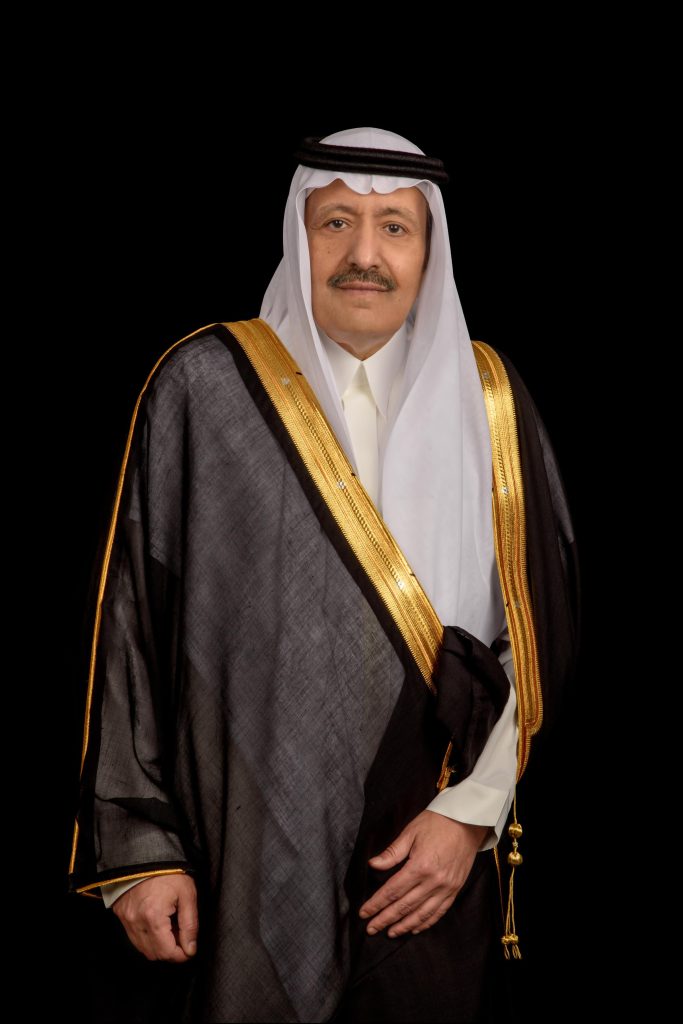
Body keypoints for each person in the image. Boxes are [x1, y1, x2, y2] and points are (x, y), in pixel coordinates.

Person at [69, 127, 579, 1023]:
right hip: (240, 840)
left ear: (429, 251)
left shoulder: (489, 400)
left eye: (394, 228)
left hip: (426, 852)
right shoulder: (206, 386)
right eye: (335, 222)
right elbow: (131, 630)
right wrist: (141, 854)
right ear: (295, 236)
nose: (363, 255)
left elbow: (535, 635)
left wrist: (470, 814)